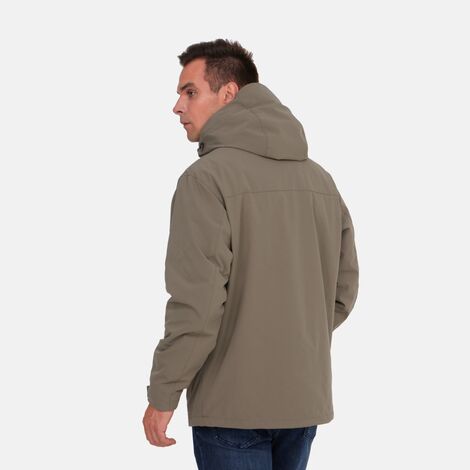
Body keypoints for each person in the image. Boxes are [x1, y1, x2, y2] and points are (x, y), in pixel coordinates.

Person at [142, 38, 359, 470]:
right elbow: (343, 291)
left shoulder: (205, 180)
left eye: (190, 92)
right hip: (302, 402)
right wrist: (293, 339)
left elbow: (197, 304)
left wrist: (164, 393)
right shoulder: (321, 181)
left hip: (231, 406)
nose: (177, 107)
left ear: (228, 93)